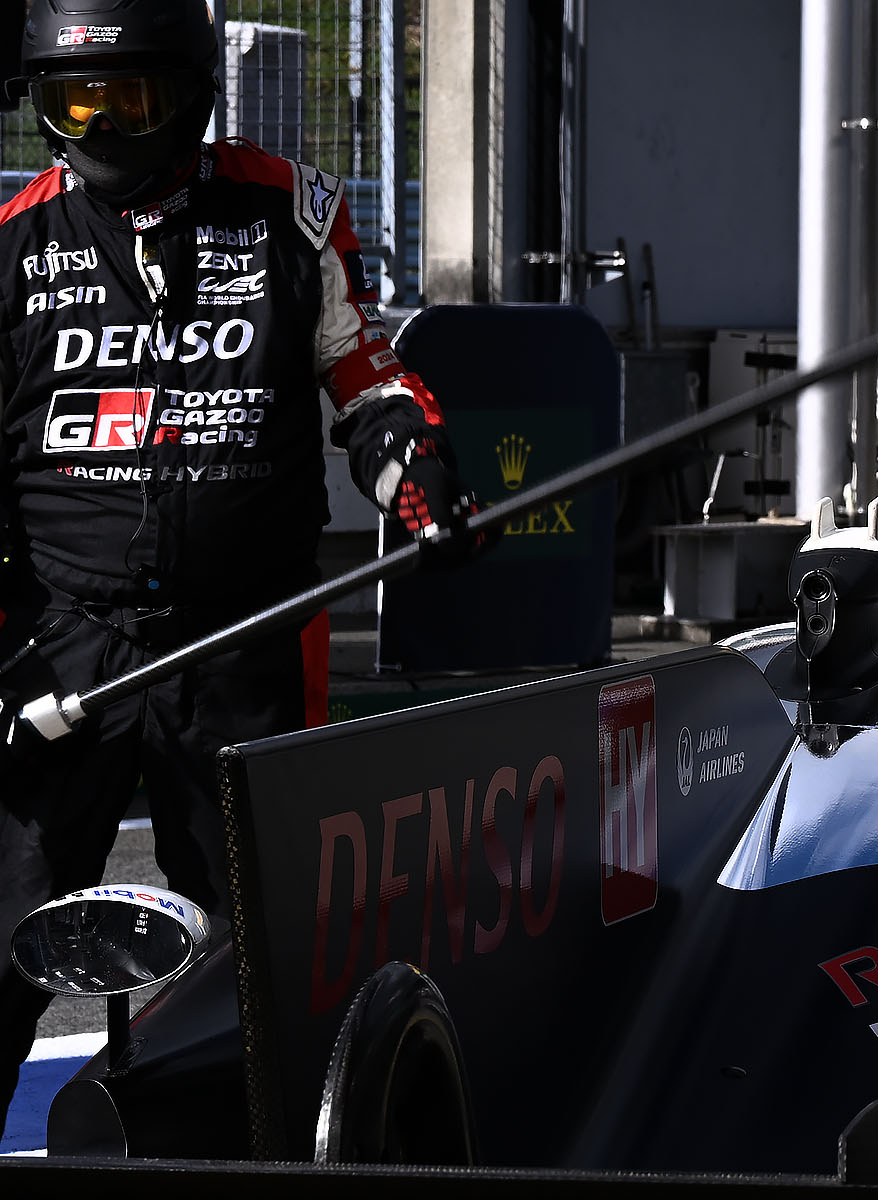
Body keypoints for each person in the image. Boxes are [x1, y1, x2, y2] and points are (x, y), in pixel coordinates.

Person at [0, 0, 486, 1133]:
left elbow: (367, 380)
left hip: (249, 640)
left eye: (130, 98)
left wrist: (412, 466)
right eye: (77, 100)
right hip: (61, 649)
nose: (103, 124)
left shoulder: (288, 211)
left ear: (190, 94)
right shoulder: (13, 243)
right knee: (3, 937)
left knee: (271, 970)